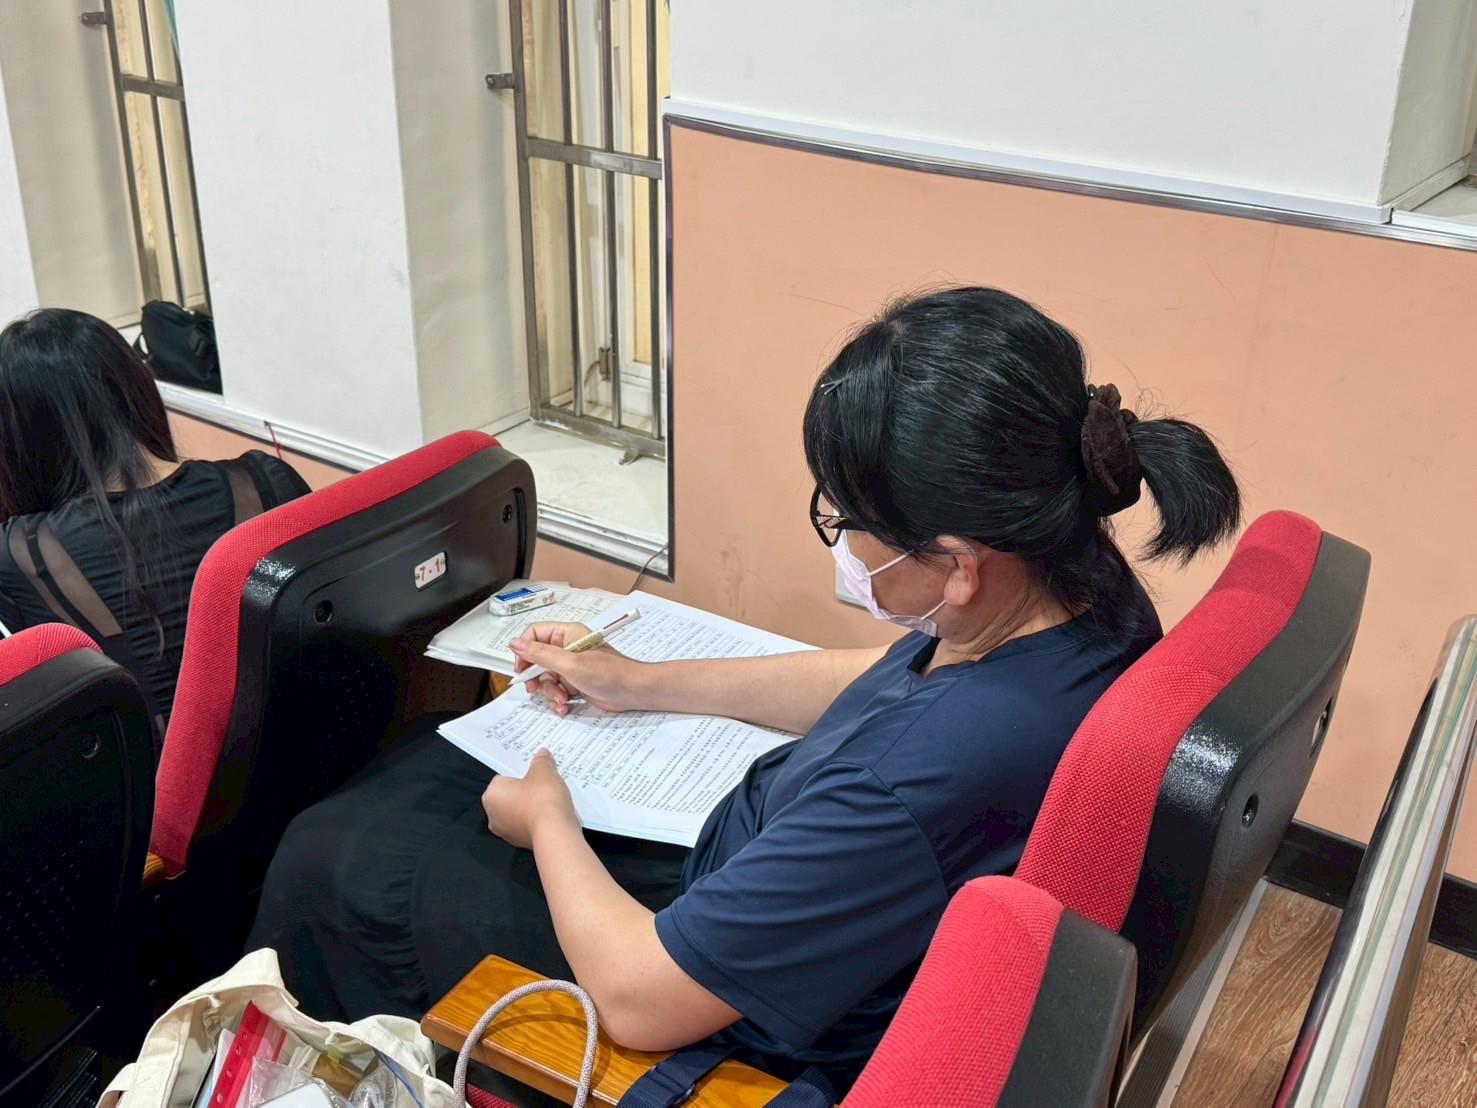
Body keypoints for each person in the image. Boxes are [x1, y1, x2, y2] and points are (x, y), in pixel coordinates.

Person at [248, 287, 1241, 1101]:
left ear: (957, 565)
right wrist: (639, 683)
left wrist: (548, 819)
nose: (840, 538)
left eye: (846, 520)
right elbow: (876, 680)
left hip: (719, 1014)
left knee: (336, 858)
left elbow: (638, 999)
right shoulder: (1076, 598)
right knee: (423, 770)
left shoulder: (908, 784)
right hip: (775, 897)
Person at [0, 308, 310, 756]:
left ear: (19, 443)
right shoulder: (268, 479)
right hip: (319, 757)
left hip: (162, 791)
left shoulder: (20, 556)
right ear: (138, 390)